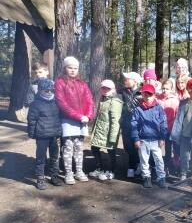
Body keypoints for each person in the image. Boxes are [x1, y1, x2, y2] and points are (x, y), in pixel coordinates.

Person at [55, 56, 94, 185]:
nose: (73, 70)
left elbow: (90, 101)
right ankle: (68, 172)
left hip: (82, 121)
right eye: (70, 67)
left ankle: (79, 171)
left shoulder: (82, 84)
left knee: (79, 147)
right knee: (68, 147)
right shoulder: (60, 82)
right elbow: (62, 104)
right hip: (67, 120)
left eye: (75, 68)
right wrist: (78, 116)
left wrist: (88, 115)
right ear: (65, 68)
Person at [27, 79, 63, 190]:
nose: (49, 93)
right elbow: (31, 120)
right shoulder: (35, 104)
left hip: (54, 135)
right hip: (41, 136)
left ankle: (54, 176)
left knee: (54, 157)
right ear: (40, 91)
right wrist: (32, 133)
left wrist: (59, 132)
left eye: (51, 90)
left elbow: (59, 118)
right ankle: (40, 178)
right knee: (41, 158)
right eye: (46, 90)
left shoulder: (56, 102)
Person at [131, 84, 168, 188]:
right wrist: (136, 139)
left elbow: (163, 124)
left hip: (156, 140)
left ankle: (161, 177)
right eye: (145, 94)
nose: (147, 97)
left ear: (154, 95)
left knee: (159, 159)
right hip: (143, 140)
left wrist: (162, 137)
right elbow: (134, 125)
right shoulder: (138, 109)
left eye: (150, 94)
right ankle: (146, 177)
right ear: (142, 94)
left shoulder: (159, 108)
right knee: (144, 160)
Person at [89, 80, 123, 181]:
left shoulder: (115, 102)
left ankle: (111, 171)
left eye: (108, 88)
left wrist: (113, 137)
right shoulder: (103, 99)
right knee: (94, 148)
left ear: (113, 89)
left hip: (109, 133)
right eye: (103, 88)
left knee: (111, 150)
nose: (105, 90)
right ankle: (99, 168)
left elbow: (115, 121)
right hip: (100, 131)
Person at [119, 71, 142, 178]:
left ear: (135, 81)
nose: (125, 81)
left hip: (138, 125)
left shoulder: (142, 93)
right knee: (127, 147)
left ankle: (133, 166)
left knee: (136, 146)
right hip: (126, 124)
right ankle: (135, 164)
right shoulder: (122, 92)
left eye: (128, 79)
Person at [157, 79, 180, 174]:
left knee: (171, 149)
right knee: (160, 149)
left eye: (167, 89)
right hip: (160, 129)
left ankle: (174, 167)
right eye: (163, 88)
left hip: (171, 128)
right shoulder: (158, 99)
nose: (165, 90)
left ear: (171, 90)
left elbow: (177, 115)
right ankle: (162, 167)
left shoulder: (175, 100)